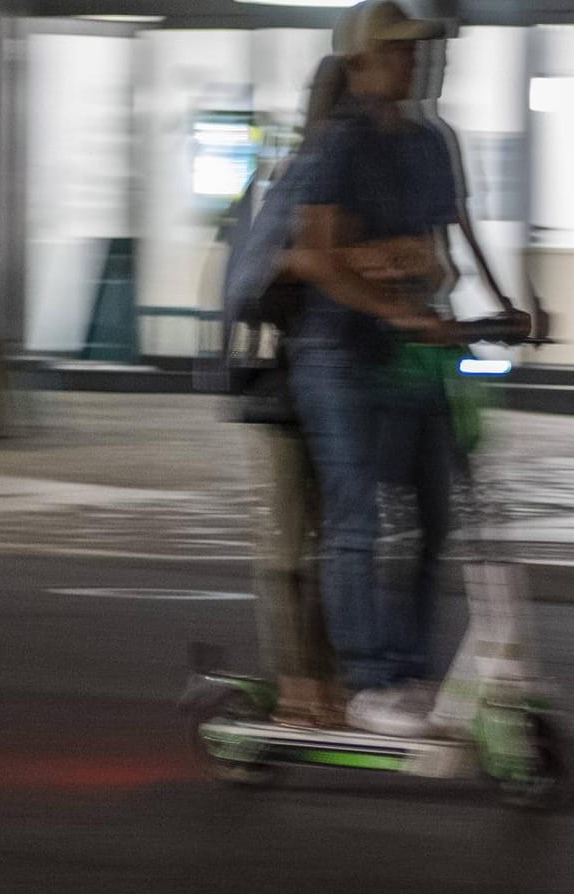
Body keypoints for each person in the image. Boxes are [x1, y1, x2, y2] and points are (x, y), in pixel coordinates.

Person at [284, 0, 525, 737]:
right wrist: (396, 305)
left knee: (433, 517)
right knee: (358, 518)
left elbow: (456, 234)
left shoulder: (429, 142)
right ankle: (369, 682)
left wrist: (514, 302)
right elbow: (318, 258)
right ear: (360, 63)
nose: (411, 60)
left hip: (413, 354)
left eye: (415, 49)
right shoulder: (337, 146)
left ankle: (411, 671)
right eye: (395, 50)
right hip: (340, 355)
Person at [222, 56, 353, 728]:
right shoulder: (295, 178)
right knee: (289, 543)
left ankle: (325, 679)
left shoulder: (356, 181)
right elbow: (249, 281)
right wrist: (309, 264)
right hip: (288, 390)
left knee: (337, 543)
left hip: (343, 385)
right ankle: (299, 680)